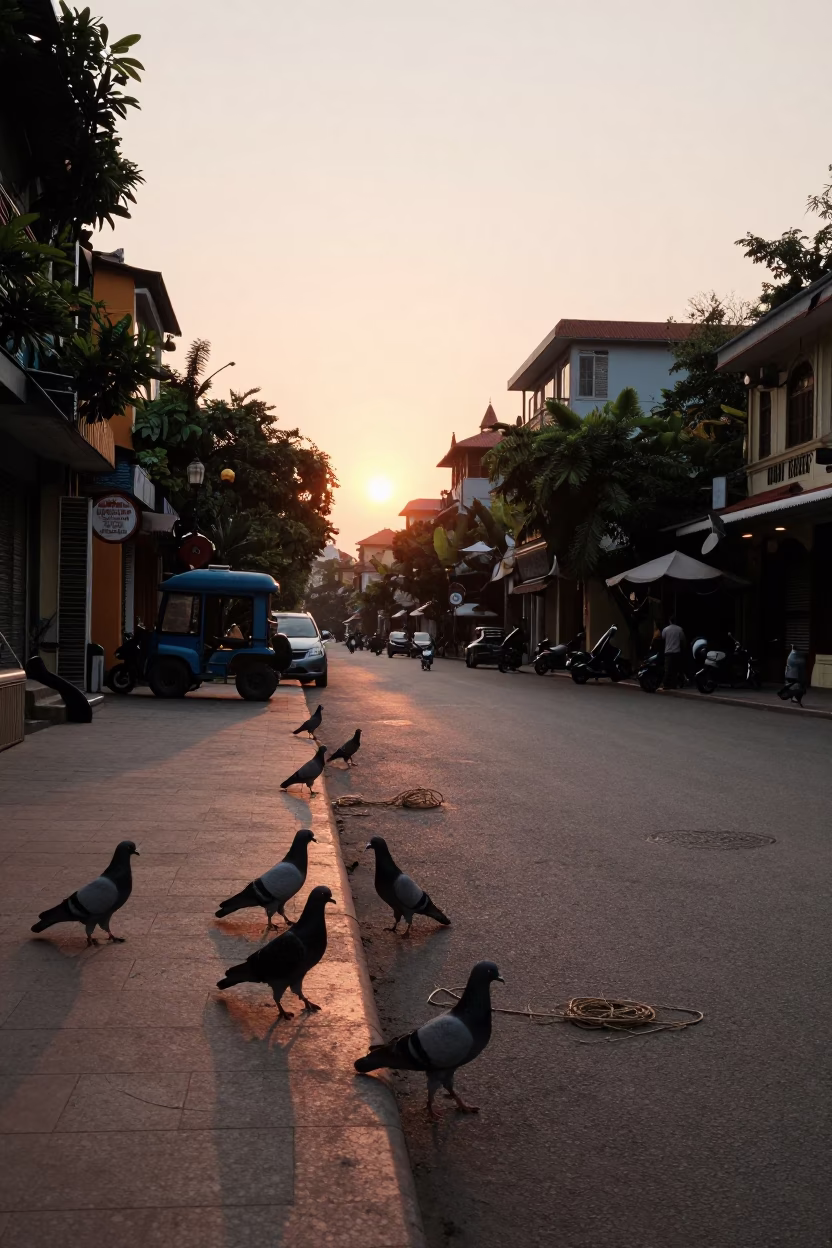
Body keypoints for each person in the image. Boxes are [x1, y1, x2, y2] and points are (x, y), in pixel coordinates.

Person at [661, 615, 686, 689]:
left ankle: (665, 684)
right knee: (675, 670)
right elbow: (683, 640)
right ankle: (673, 685)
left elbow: (663, 638)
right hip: (676, 652)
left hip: (668, 652)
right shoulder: (679, 629)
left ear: (669, 621)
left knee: (667, 669)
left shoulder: (665, 629)